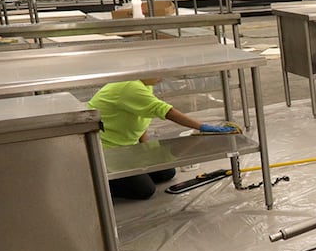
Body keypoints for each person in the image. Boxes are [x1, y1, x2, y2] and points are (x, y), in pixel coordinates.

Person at [87, 79, 236, 199]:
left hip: (128, 147)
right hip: (106, 151)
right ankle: (101, 182)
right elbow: (165, 111)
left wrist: (145, 151)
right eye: (158, 73)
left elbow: (140, 114)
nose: (162, 77)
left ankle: (129, 175)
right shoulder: (129, 86)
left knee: (166, 173)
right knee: (144, 190)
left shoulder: (145, 85)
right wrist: (202, 126)